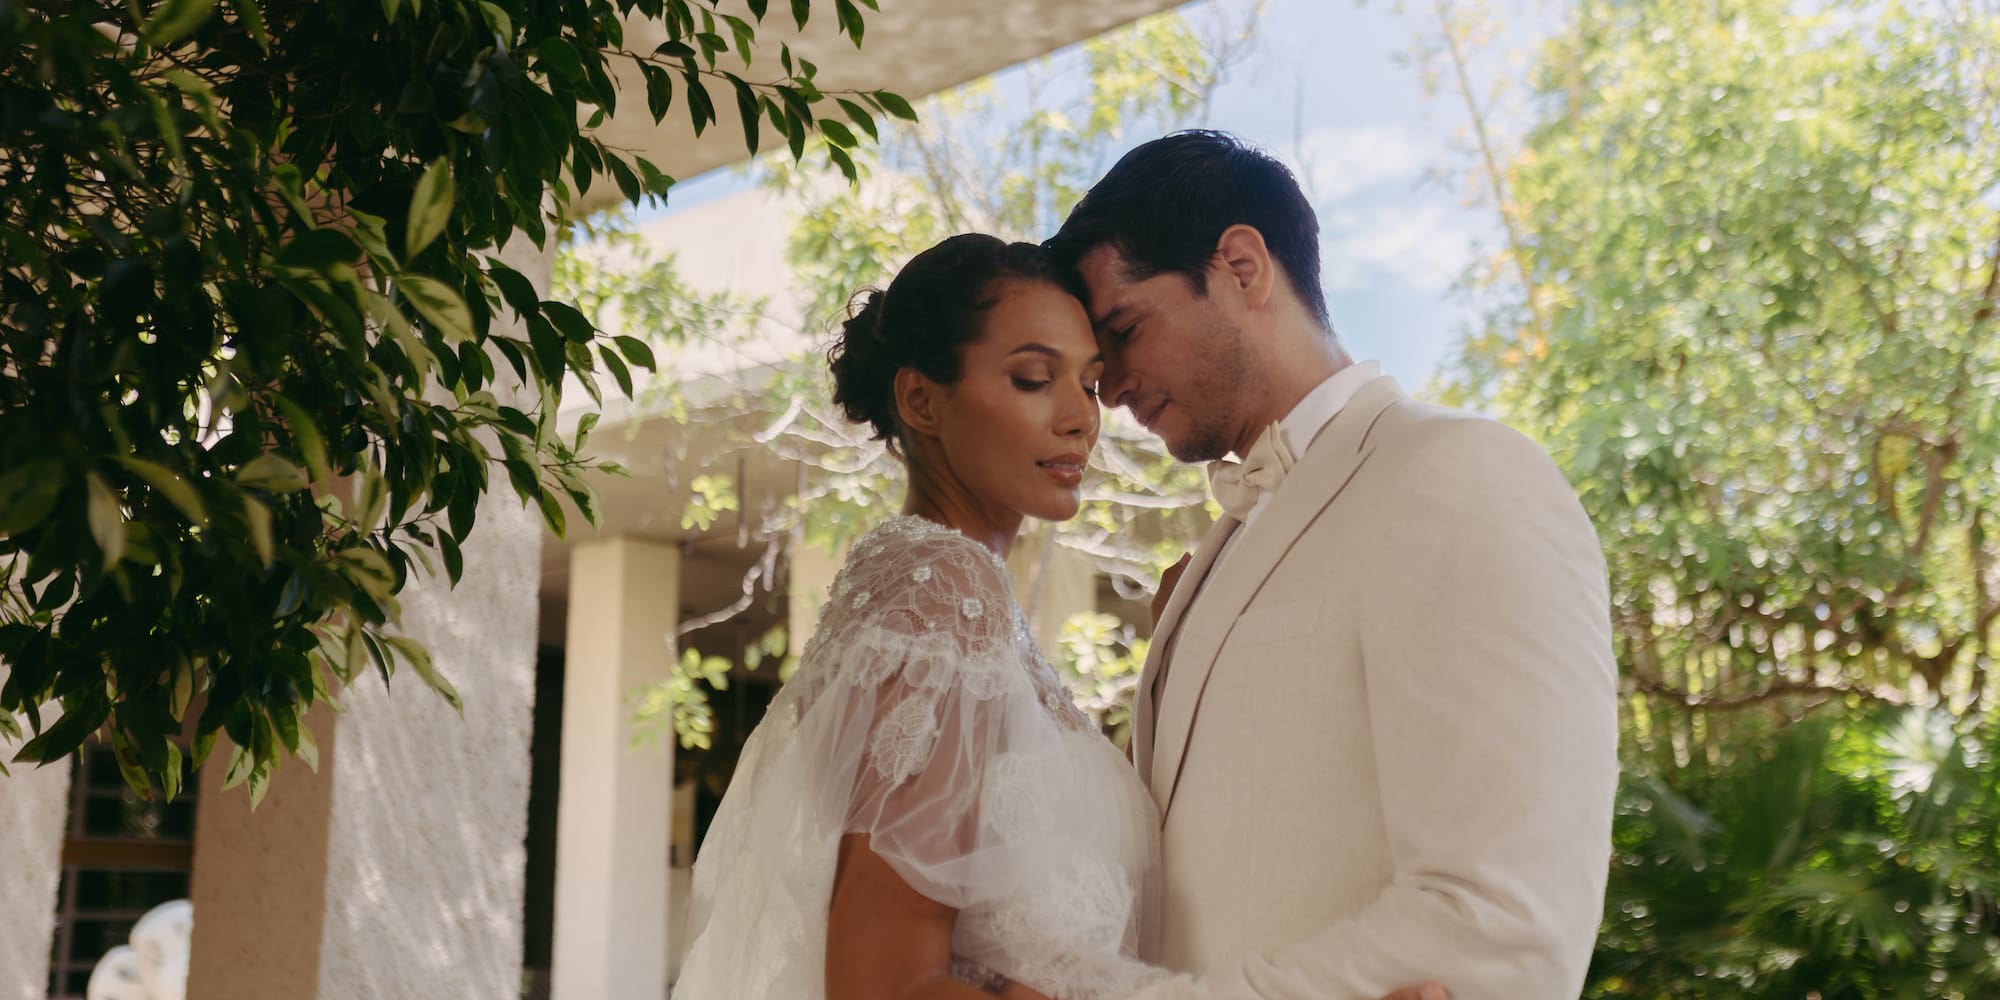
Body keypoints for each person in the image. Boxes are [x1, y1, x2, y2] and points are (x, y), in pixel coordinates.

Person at [673, 233, 1447, 1000]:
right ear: (920, 399)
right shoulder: (941, 593)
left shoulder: (961, 604)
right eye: (1034, 378)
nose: (1082, 417)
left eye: (1091, 380)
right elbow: (886, 984)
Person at [1045, 130, 1621, 999]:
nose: (1113, 387)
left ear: (1241, 266)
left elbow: (1501, 925)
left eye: (1125, 330)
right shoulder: (1206, 562)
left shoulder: (1459, 474)